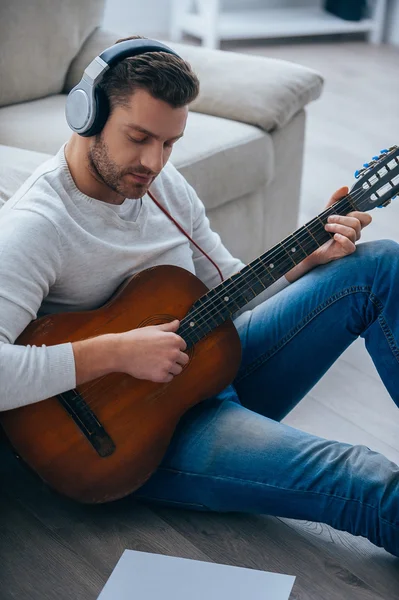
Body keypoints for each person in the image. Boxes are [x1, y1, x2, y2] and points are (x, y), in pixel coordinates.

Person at [0, 35, 398, 557]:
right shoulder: (37, 227)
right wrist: (119, 352)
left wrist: (304, 262)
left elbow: (225, 285)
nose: (154, 161)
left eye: (168, 143)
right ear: (87, 115)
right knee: (365, 481)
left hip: (206, 364)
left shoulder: (163, 185)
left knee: (379, 265)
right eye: (138, 137)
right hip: (131, 434)